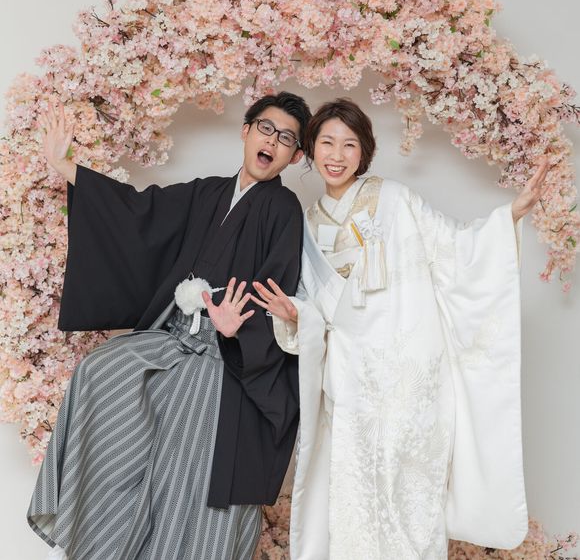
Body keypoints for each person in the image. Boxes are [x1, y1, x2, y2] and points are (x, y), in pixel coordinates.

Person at [252, 98, 548, 560]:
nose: (336, 155)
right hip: (349, 386)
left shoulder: (395, 199)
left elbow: (456, 249)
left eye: (349, 144)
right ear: (309, 149)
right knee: (355, 504)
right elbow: (314, 309)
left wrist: (510, 214)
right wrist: (295, 316)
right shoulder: (306, 224)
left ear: (364, 152)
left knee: (411, 505)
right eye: (327, 142)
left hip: (411, 383)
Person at [27, 92, 312, 560]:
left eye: (286, 138)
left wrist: (237, 327)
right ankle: (106, 538)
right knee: (100, 370)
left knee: (187, 472)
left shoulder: (282, 209)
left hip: (228, 358)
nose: (272, 141)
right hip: (178, 338)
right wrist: (65, 166)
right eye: (265, 128)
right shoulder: (208, 192)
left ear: (295, 156)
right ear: (246, 131)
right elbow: (140, 213)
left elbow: (279, 291)